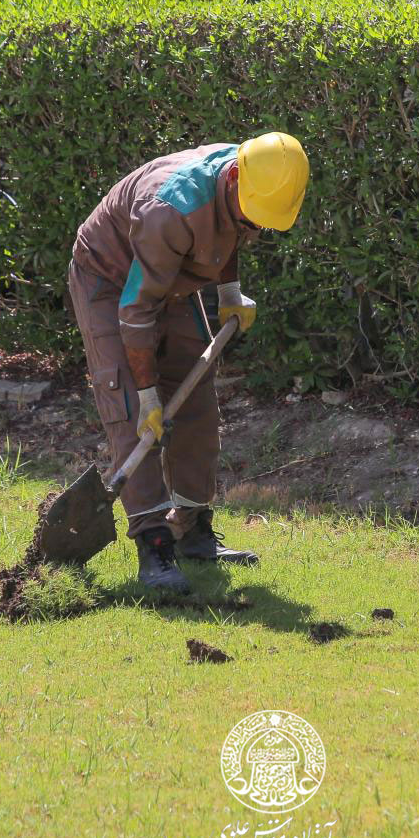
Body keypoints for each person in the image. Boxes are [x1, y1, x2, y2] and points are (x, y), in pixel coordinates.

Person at [68, 134, 310, 594]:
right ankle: (155, 544)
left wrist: (228, 292)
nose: (254, 229)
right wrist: (147, 396)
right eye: (252, 218)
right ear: (233, 177)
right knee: (131, 412)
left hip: (172, 274)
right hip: (111, 280)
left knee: (196, 401)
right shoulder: (168, 210)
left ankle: (193, 528)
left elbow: (232, 227)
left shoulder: (252, 174)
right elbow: (136, 311)